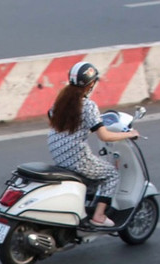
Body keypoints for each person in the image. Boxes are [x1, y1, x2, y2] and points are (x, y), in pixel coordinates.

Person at [47, 61, 140, 228]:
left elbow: (57, 120)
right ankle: (98, 216)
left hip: (58, 155)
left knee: (93, 175)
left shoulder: (61, 101)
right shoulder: (88, 106)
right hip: (76, 158)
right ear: (90, 84)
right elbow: (104, 136)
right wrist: (129, 134)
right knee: (111, 174)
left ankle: (83, 208)